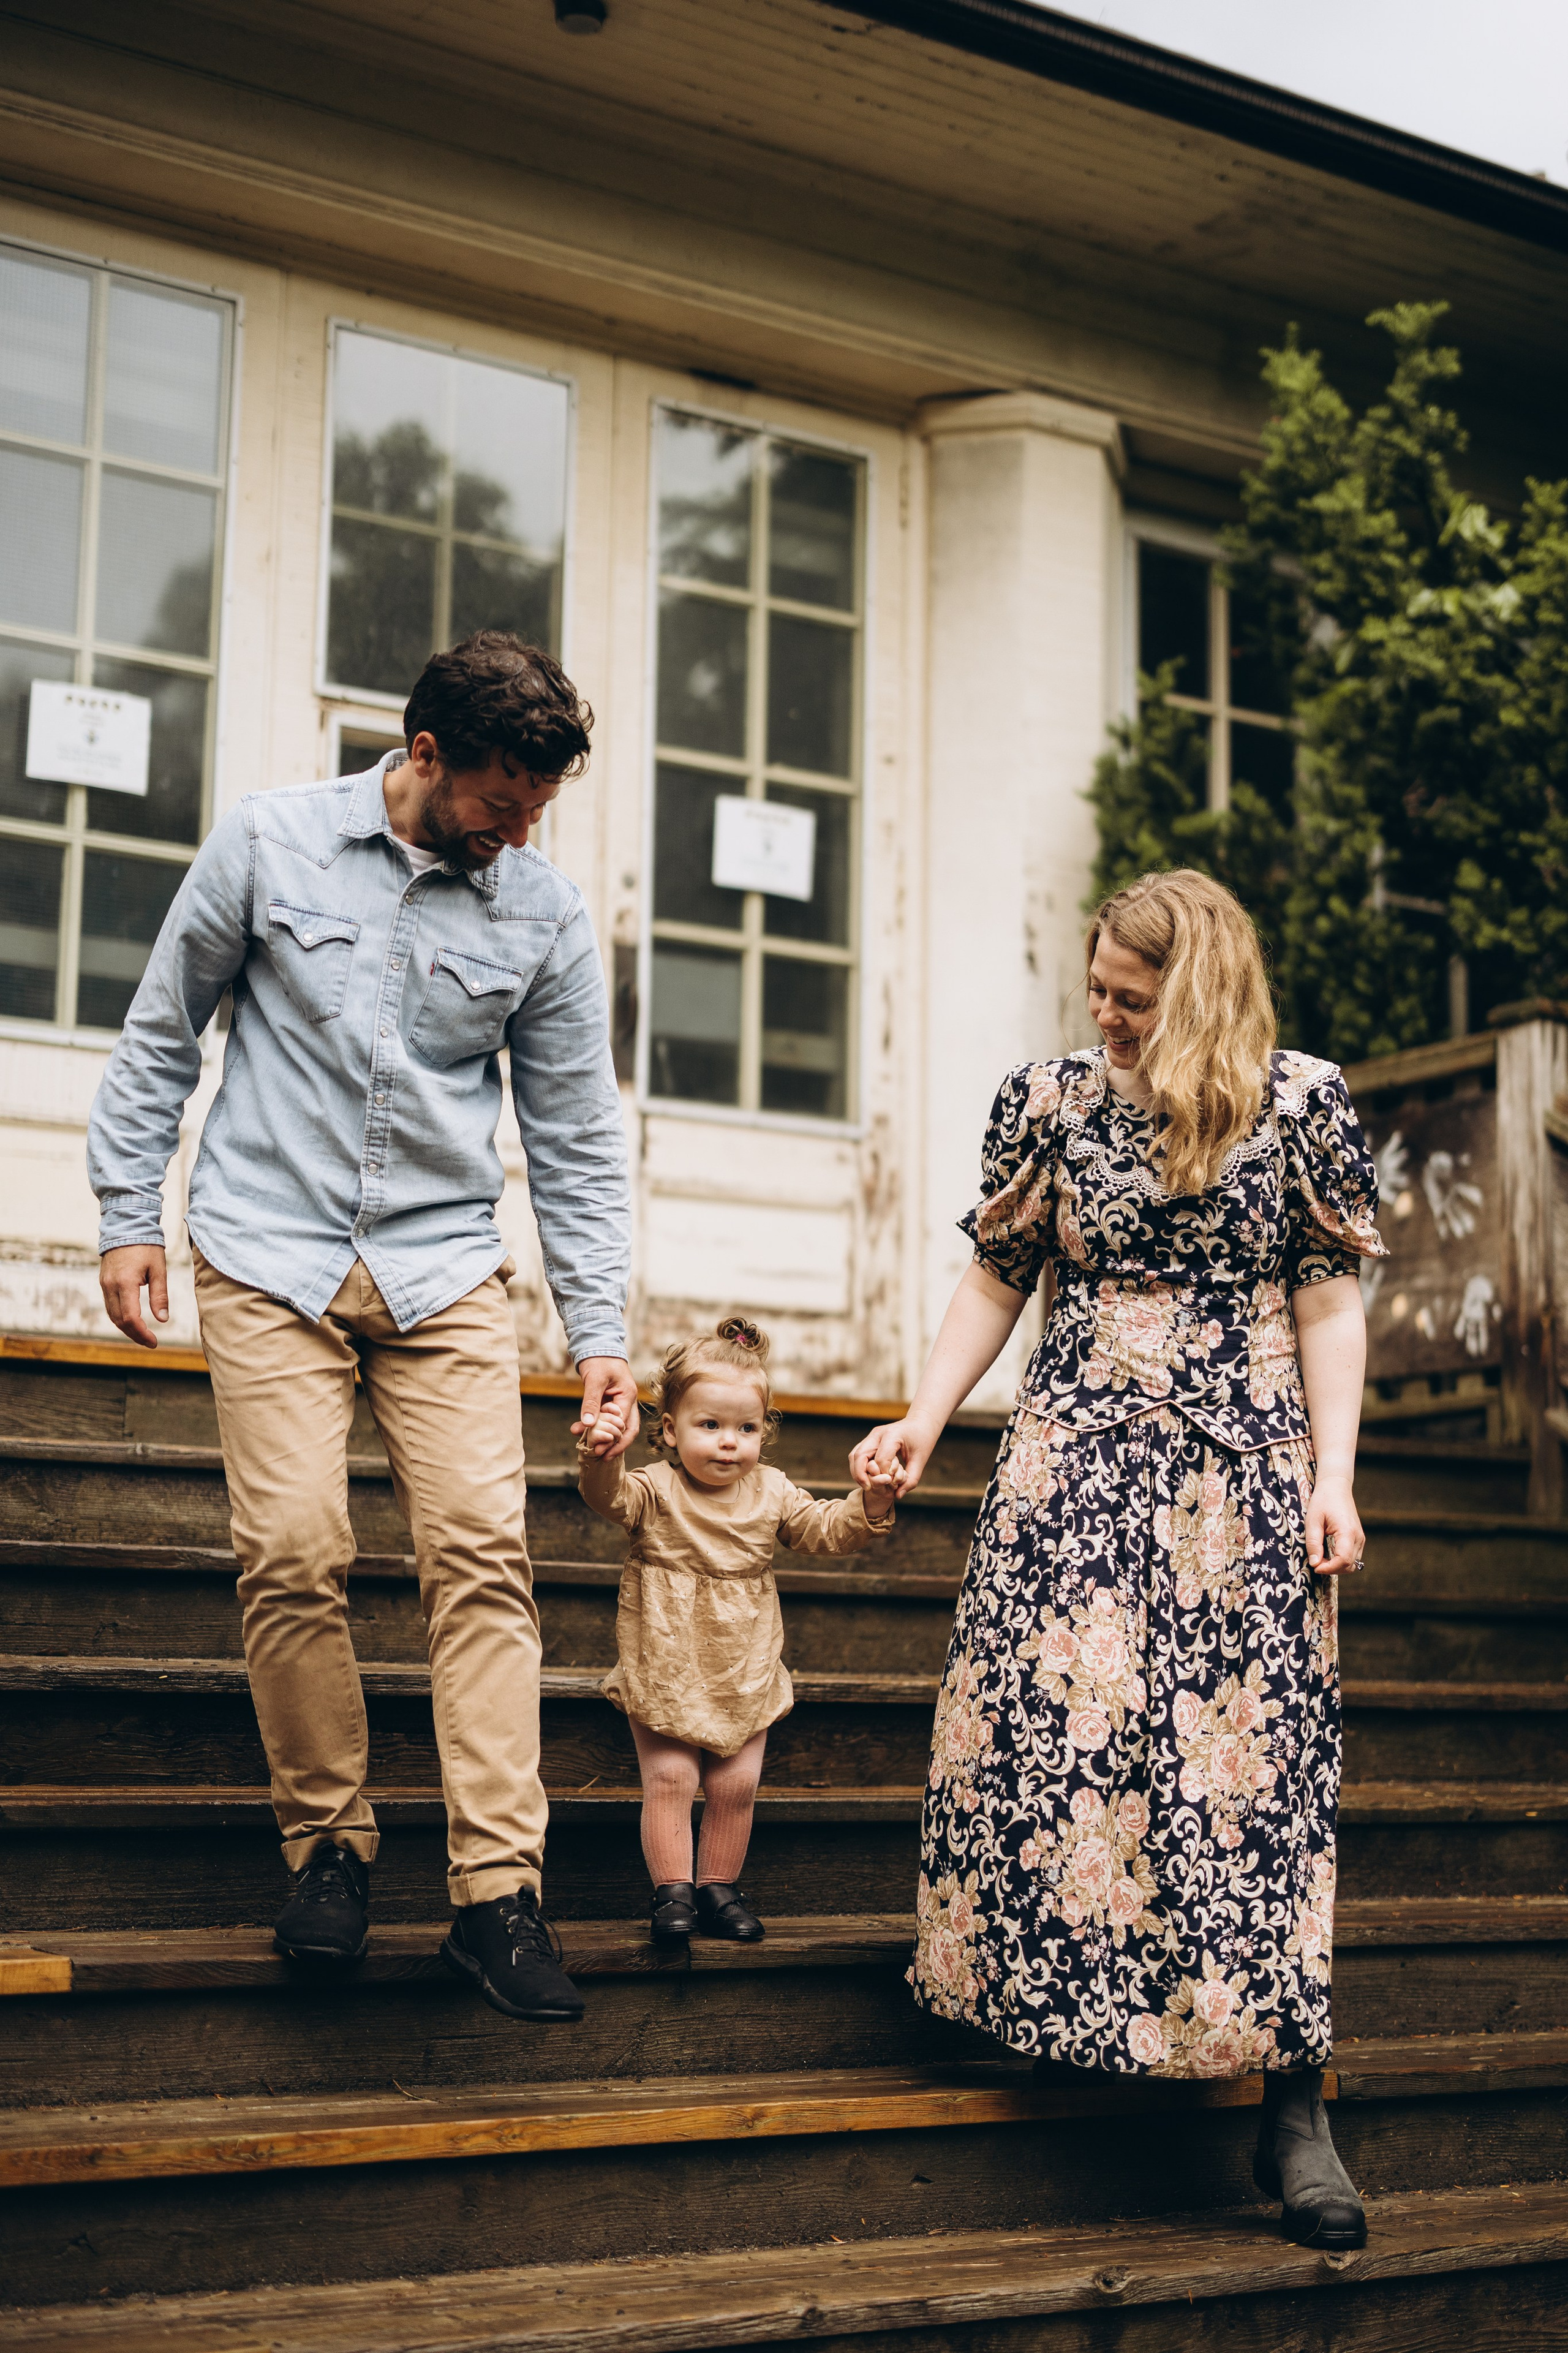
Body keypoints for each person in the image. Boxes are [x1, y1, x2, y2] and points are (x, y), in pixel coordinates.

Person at [88, 631, 638, 2024]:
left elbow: (574, 1133)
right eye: (504, 799)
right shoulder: (269, 844)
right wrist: (125, 1213)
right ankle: (327, 1849)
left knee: (482, 1559)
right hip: (265, 1251)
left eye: (541, 809)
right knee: (292, 1548)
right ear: (425, 753)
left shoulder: (543, 914)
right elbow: (165, 1033)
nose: (521, 831)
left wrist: (599, 1329)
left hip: (441, 1269)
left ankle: (496, 1892)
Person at [850, 869, 1384, 2253]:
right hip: (1071, 1456)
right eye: (1093, 990)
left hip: (1242, 1472)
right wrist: (919, 1414)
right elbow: (996, 1272)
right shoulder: (1048, 1100)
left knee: (1247, 1773)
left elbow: (1326, 1299)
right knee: (1052, 1740)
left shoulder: (1301, 1100)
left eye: (1130, 999)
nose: (1104, 1016)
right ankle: (1065, 2012)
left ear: (1196, 988)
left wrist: (1331, 1477)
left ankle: (1290, 2098)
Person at [579, 1317, 899, 1943]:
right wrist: (601, 1457)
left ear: (763, 1431)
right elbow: (607, 1500)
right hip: (666, 1656)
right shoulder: (654, 1488)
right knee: (672, 1778)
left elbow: (825, 1529)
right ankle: (672, 1891)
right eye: (709, 1425)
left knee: (737, 1782)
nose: (729, 1443)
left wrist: (874, 1504)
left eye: (745, 1428)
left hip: (742, 1662)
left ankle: (718, 1888)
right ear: (668, 1430)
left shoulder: (772, 1491)